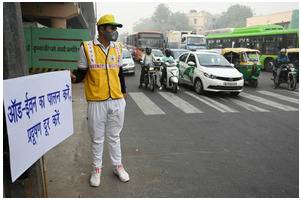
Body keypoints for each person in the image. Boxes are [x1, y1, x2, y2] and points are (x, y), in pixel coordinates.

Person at [71, 14, 130, 187]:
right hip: (96, 101)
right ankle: (97, 169)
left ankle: (118, 166)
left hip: (117, 100)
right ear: (101, 29)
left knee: (114, 136)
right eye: (111, 27)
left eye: (115, 28)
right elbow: (81, 73)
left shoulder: (118, 48)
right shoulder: (86, 48)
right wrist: (73, 78)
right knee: (97, 138)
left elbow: (119, 73)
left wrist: (124, 93)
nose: (114, 31)